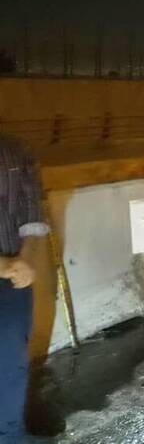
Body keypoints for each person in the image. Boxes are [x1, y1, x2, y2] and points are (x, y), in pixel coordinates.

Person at [0, 136, 50, 440]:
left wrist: (26, 262)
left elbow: (32, 218)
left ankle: (11, 435)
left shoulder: (16, 151)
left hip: (12, 282)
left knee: (10, 363)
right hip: (7, 270)